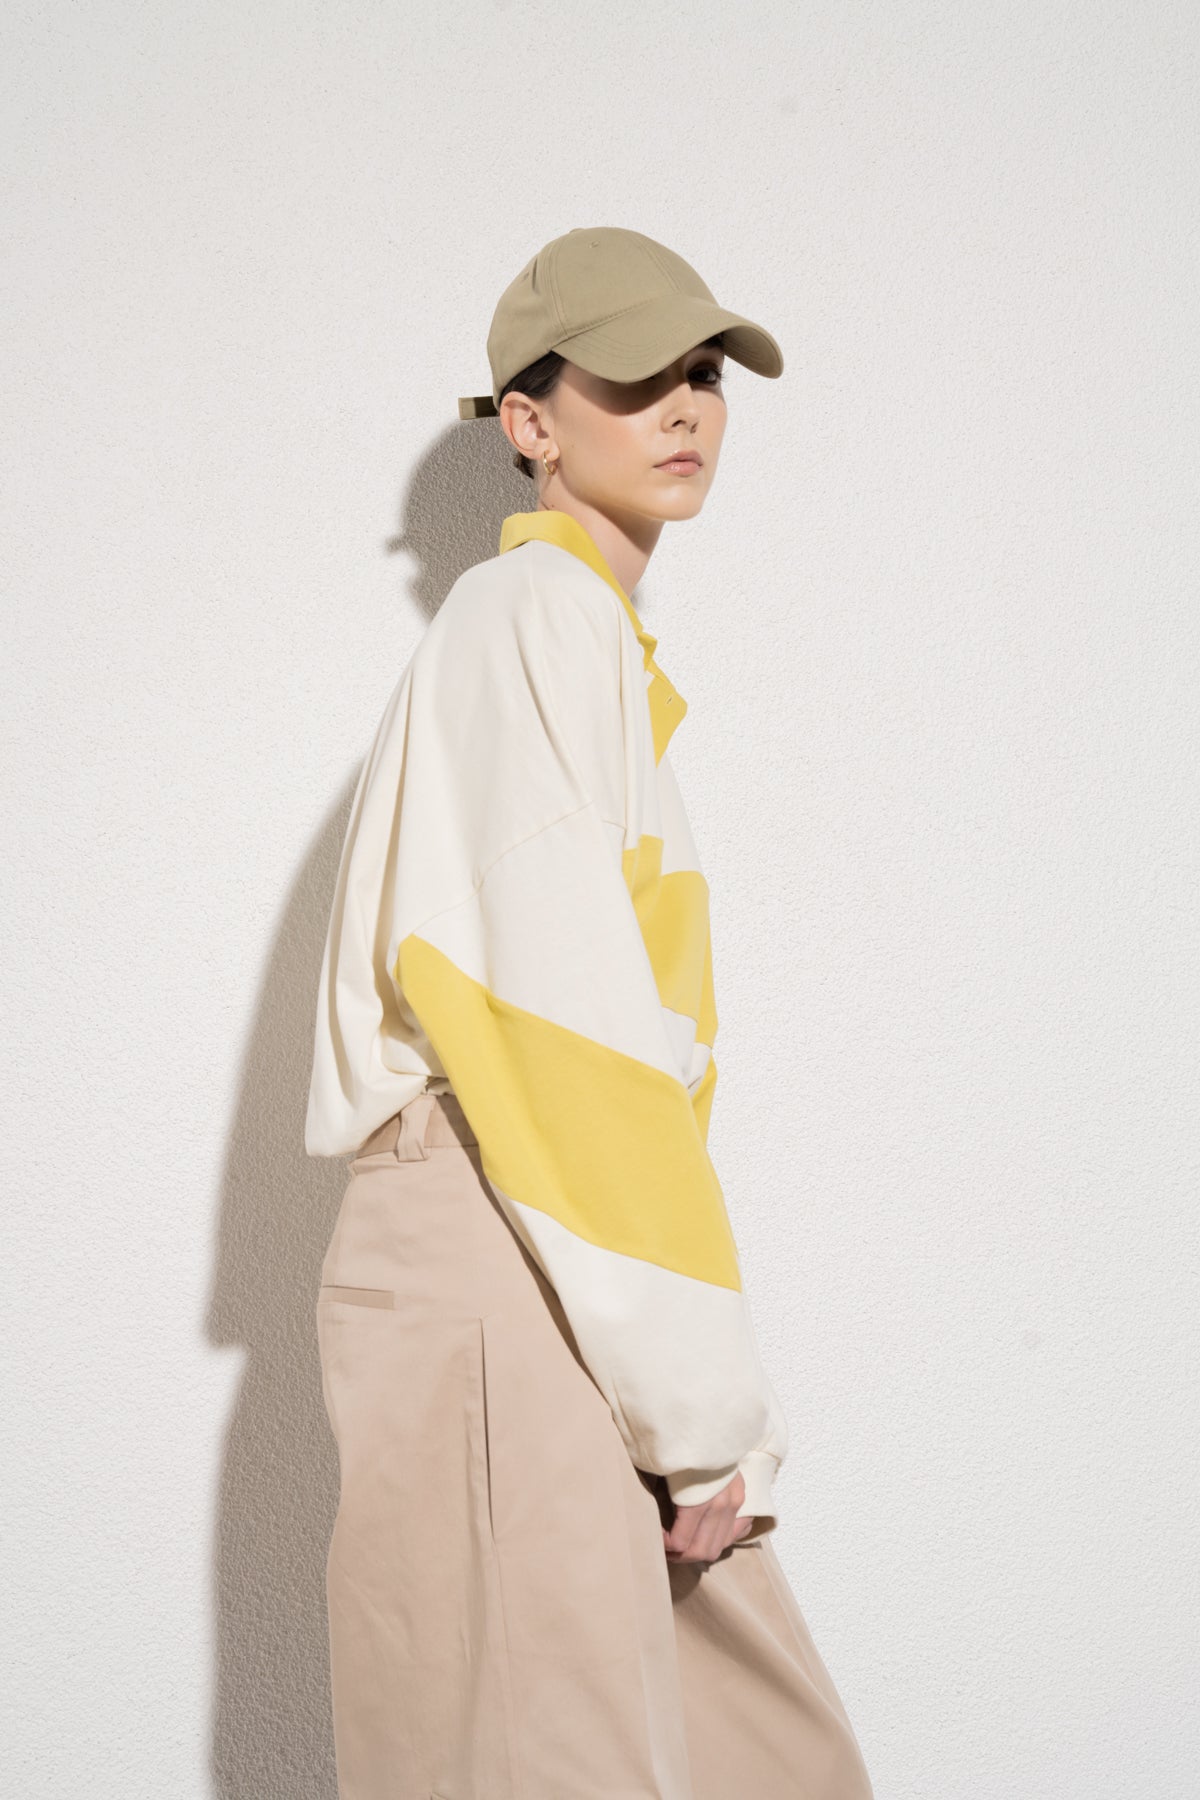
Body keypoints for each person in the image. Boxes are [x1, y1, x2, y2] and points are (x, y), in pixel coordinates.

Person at [305, 226, 874, 1799]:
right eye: (632, 378)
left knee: (759, 1759)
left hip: (566, 1259)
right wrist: (698, 1403)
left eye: (702, 373)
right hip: (511, 1241)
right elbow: (558, 1042)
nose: (683, 406)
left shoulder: (584, 647)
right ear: (530, 423)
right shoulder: (530, 624)